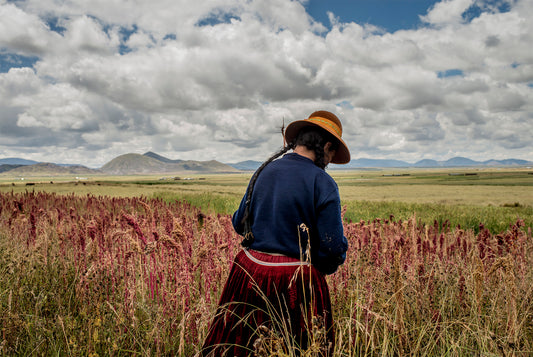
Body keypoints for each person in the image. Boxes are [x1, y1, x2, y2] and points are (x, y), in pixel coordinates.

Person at [201, 110, 350, 356]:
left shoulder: (263, 171)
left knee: (237, 347)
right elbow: (332, 248)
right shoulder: (323, 183)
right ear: (325, 146)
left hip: (249, 272)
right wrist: (318, 269)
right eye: (332, 153)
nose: (330, 160)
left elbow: (240, 223)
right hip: (295, 282)